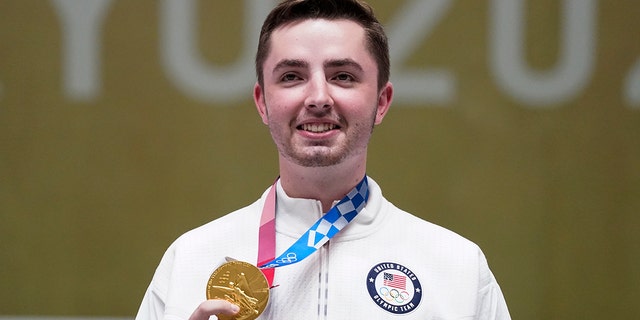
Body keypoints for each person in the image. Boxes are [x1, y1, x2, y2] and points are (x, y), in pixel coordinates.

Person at [135, 0, 511, 319]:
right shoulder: (190, 258)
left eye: (343, 76)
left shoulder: (458, 267)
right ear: (263, 102)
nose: (317, 97)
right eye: (292, 76)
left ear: (381, 101)